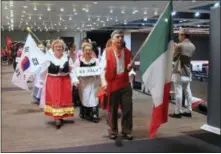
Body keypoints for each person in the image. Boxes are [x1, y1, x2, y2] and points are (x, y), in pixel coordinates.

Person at [100, 30, 133, 140]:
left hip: (125, 83)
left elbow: (129, 67)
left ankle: (126, 130)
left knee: (127, 108)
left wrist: (130, 69)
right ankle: (113, 130)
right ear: (112, 39)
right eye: (118, 37)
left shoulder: (127, 52)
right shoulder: (107, 51)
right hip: (113, 83)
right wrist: (104, 83)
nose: (120, 39)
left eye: (122, 37)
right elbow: (102, 69)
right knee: (112, 109)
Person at [37, 39, 76, 129]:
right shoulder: (49, 58)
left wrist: (74, 80)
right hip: (52, 81)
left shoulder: (67, 58)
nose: (58, 48)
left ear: (63, 48)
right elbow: (43, 71)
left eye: (60, 47)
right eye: (56, 47)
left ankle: (60, 116)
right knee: (55, 100)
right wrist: (40, 81)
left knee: (63, 99)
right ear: (53, 48)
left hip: (65, 81)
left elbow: (72, 70)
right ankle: (57, 118)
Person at [169, 28, 195, 118]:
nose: (178, 36)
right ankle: (189, 110)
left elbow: (173, 58)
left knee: (178, 92)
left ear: (183, 35)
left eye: (180, 35)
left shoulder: (179, 45)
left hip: (179, 71)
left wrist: (174, 48)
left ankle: (178, 112)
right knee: (188, 91)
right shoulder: (192, 46)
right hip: (188, 71)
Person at [74, 43, 100, 123]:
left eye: (89, 50)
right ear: (83, 51)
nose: (88, 51)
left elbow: (100, 70)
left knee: (94, 97)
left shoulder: (96, 60)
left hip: (93, 81)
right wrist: (76, 80)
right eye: (86, 50)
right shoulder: (79, 60)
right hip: (83, 83)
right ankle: (85, 112)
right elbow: (75, 71)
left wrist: (100, 82)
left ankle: (94, 113)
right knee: (85, 97)